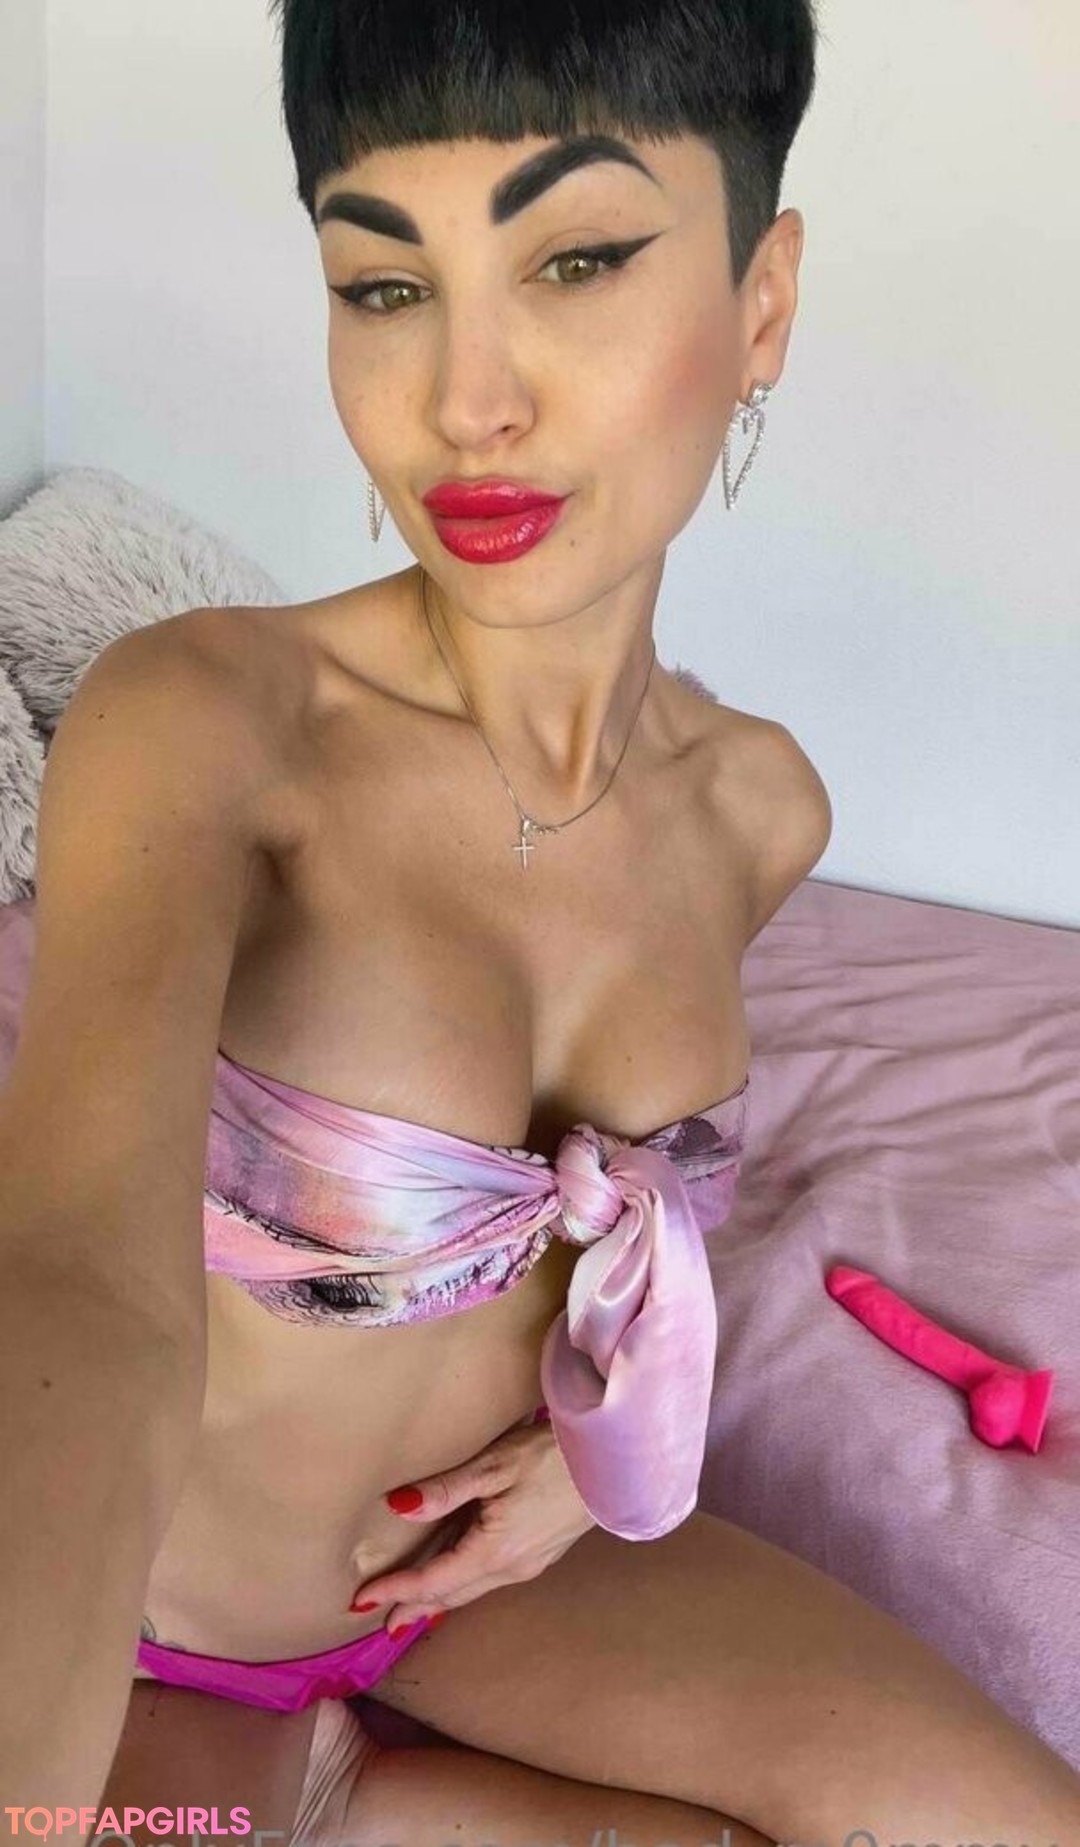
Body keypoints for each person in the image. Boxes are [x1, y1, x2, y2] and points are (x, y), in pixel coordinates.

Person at [2, 0, 1079, 1841]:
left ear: (761, 303)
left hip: (479, 1595)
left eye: (575, 260)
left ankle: (354, 1782)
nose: (464, 400)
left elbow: (606, 1246)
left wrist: (592, 1471)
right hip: (150, 1626)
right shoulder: (206, 723)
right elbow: (85, 1290)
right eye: (384, 285)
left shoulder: (762, 810)